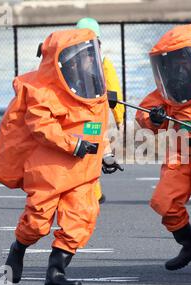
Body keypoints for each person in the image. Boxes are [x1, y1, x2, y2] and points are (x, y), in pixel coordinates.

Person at [0, 28, 111, 285]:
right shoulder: (41, 92)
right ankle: (18, 249)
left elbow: (96, 128)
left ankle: (55, 273)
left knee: (81, 217)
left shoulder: (92, 91)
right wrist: (73, 144)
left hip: (83, 170)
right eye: (87, 56)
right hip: (49, 171)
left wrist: (106, 152)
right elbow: (41, 127)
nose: (93, 60)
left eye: (93, 54)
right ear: (67, 61)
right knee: (36, 222)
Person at [136, 25, 191, 274]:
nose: (179, 64)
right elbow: (145, 112)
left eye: (183, 58)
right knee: (164, 201)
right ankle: (189, 244)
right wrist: (153, 118)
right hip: (181, 151)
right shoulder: (170, 81)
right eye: (175, 59)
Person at [76, 17, 125, 204]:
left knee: (89, 151)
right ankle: (93, 193)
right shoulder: (103, 62)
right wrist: (119, 118)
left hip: (79, 117)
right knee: (92, 150)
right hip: (92, 116)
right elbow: (115, 92)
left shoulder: (67, 59)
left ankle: (92, 193)